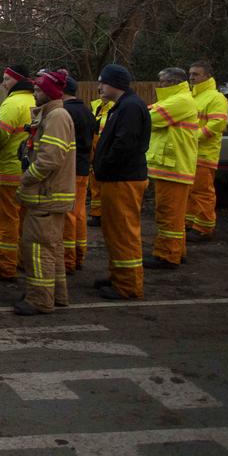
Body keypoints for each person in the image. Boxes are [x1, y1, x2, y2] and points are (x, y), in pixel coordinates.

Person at [13, 71, 76, 316]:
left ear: (49, 92)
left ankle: (40, 299)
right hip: (49, 196)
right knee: (52, 249)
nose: (34, 94)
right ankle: (57, 295)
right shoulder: (53, 114)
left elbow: (49, 159)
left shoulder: (57, 116)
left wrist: (27, 179)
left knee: (38, 249)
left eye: (38, 90)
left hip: (45, 196)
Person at [92, 64, 151, 300]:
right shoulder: (123, 106)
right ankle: (118, 275)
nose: (99, 87)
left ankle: (127, 285)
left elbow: (124, 145)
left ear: (115, 83)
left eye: (102, 82)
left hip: (123, 178)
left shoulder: (130, 108)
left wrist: (104, 166)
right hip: (116, 178)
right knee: (114, 231)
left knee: (124, 232)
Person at [145, 67, 199, 269]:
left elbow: (149, 118)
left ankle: (167, 255)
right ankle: (177, 251)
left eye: (163, 82)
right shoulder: (176, 99)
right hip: (171, 167)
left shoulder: (180, 100)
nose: (160, 86)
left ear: (173, 82)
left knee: (168, 214)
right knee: (173, 215)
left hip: (174, 168)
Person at [0, 65, 35, 281]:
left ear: (17, 81)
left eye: (7, 79)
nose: (3, 83)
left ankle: (3, 267)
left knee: (5, 222)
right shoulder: (35, 101)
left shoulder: (12, 103)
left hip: (8, 171)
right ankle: (23, 261)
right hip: (29, 173)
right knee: (24, 222)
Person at [186, 61, 228, 241]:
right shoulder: (191, 96)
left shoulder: (216, 98)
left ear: (207, 76)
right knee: (189, 191)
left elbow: (217, 124)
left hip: (204, 154)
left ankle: (204, 228)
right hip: (188, 153)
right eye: (190, 74)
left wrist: (192, 137)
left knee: (202, 192)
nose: (191, 77)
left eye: (196, 74)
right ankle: (190, 223)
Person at [61, 77, 98, 273]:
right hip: (84, 169)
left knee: (67, 214)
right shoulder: (87, 111)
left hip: (70, 170)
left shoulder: (64, 112)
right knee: (79, 213)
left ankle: (68, 260)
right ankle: (79, 253)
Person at [86, 93, 115, 226]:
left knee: (105, 185)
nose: (102, 93)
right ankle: (96, 214)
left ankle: (106, 214)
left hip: (105, 148)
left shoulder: (114, 107)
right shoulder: (96, 106)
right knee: (94, 184)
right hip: (94, 148)